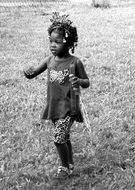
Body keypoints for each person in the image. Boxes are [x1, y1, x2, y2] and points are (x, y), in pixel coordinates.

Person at [24, 12, 90, 179]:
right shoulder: (49, 60)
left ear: (68, 43)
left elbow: (86, 82)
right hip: (54, 106)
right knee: (64, 136)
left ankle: (64, 167)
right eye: (50, 41)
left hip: (69, 107)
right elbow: (33, 73)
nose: (52, 45)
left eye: (57, 42)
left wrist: (78, 81)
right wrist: (28, 72)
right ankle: (70, 161)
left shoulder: (75, 62)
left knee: (58, 138)